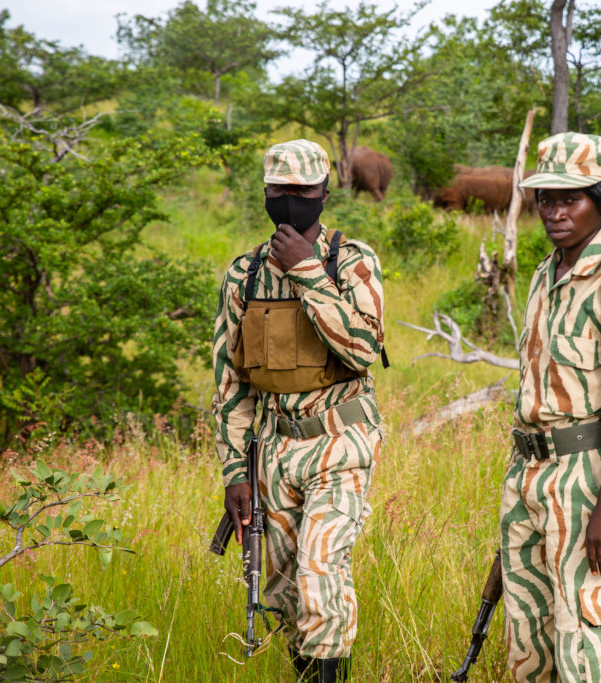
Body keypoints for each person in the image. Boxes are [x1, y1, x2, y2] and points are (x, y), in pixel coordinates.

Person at [212, 139, 385, 682]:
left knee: (319, 574)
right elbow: (231, 382)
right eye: (279, 190)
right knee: (285, 591)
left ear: (324, 194)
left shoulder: (352, 261)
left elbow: (361, 349)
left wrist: (308, 270)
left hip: (342, 440)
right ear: (265, 193)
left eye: (302, 191)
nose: (290, 200)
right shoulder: (244, 275)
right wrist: (236, 471)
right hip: (275, 449)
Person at [500, 132, 601, 682]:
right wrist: (520, 494)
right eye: (546, 199)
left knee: (594, 650)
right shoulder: (545, 275)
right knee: (531, 646)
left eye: (572, 199)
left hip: (589, 478)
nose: (555, 212)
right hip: (529, 474)